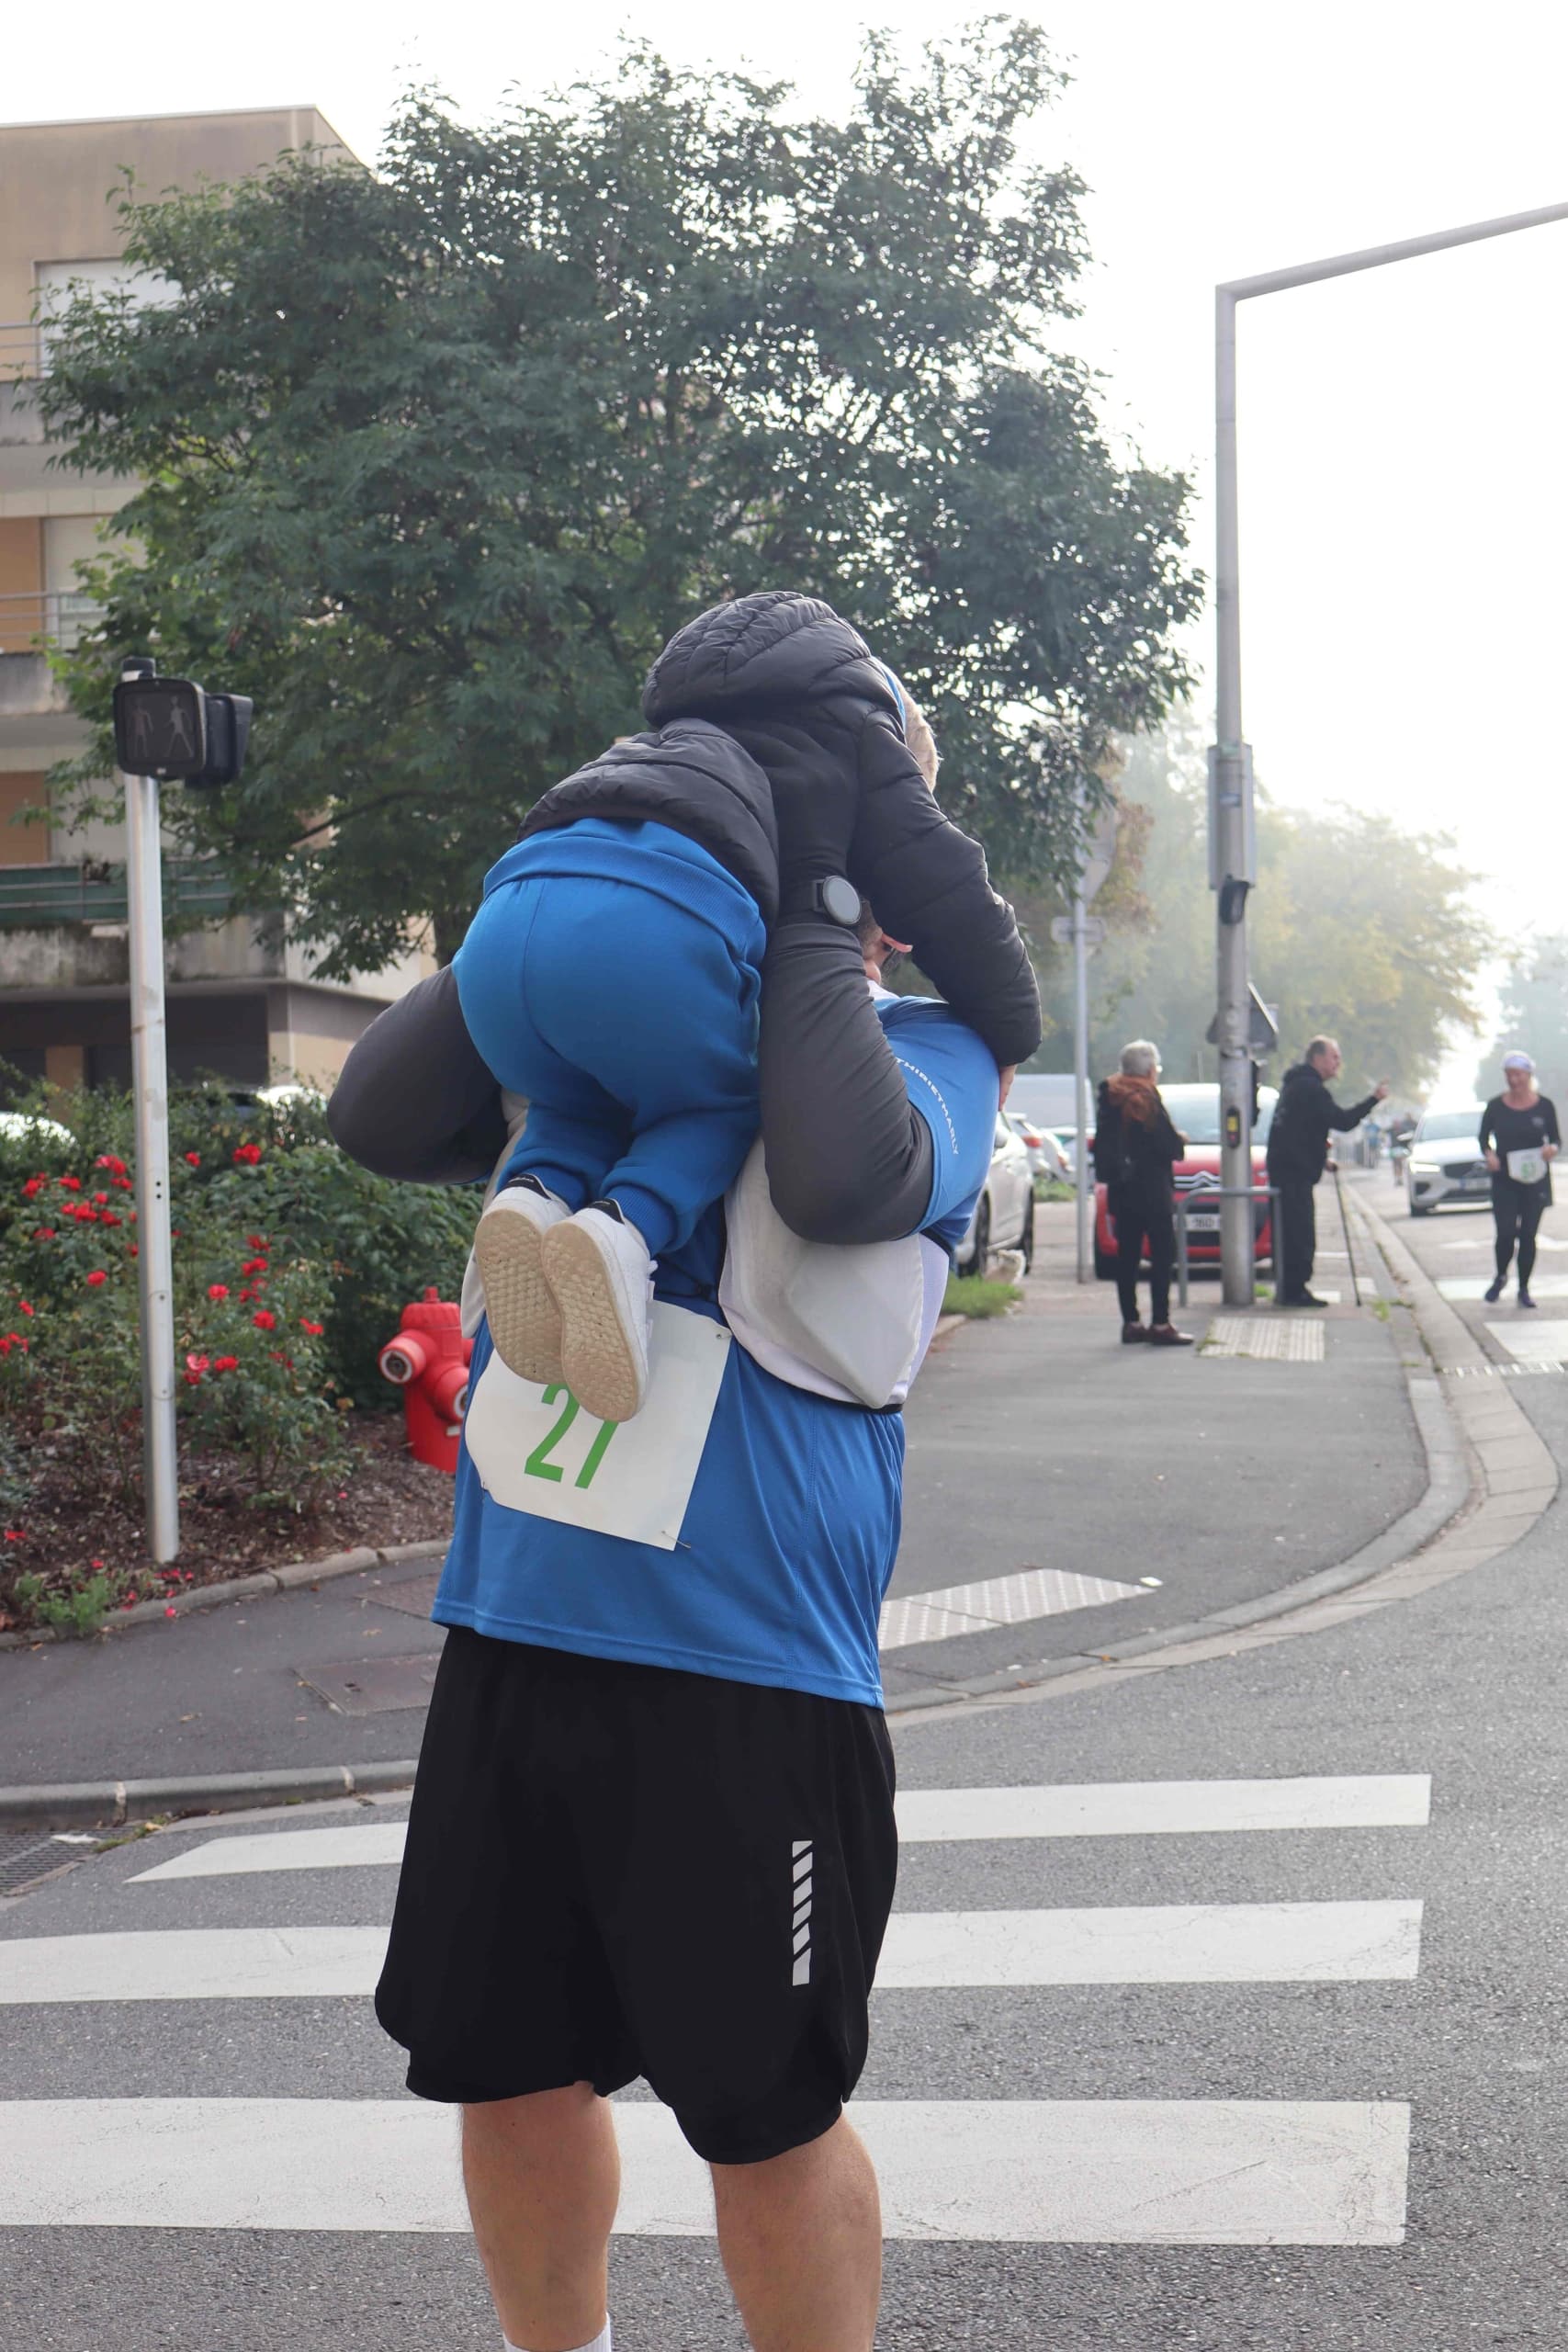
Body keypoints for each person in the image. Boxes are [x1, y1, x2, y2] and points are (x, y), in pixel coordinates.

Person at [327, 646, 1036, 2352]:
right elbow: (380, 1110)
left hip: (747, 1669)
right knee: (504, 2075)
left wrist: (813, 895)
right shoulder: (615, 1016)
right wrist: (604, 836)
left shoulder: (937, 1052)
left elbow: (837, 1169)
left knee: (762, 2114)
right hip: (518, 1631)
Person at [459, 589, 1038, 1424]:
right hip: (768, 1501)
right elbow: (844, 1178)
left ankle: (534, 1197)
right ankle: (626, 1227)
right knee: (720, 1093)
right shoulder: (931, 1040)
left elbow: (375, 1118)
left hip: (516, 933)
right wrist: (1006, 1024)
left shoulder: (651, 759)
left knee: (571, 1095)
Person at [1266, 1036, 1389, 1306]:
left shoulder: (1294, 1085)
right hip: (1294, 1173)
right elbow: (1342, 1121)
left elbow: (1299, 1130)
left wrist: (1321, 1157)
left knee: (1290, 1231)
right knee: (1299, 1233)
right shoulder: (1311, 1089)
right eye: (1334, 1057)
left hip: (1286, 1168)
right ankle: (1294, 1291)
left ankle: (1290, 1288)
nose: (1338, 1063)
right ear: (1318, 1058)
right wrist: (1373, 1099)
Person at [1093, 1039, 1192, 1346]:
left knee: (1128, 1258)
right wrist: (1179, 1140)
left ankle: (1131, 1323)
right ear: (1150, 1070)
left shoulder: (1110, 1096)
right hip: (1152, 1190)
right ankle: (1160, 1323)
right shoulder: (1146, 1098)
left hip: (1122, 1189)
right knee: (1163, 1255)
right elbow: (1169, 1146)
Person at [1480, 1052, 1561, 1307]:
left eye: (1518, 1075)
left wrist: (1552, 1149)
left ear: (1528, 1075)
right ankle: (1500, 1276)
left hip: (1535, 1178)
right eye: (1509, 1075)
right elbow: (1483, 1138)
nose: (1513, 1080)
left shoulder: (1544, 1106)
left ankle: (1524, 1288)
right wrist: (1490, 1154)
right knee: (1505, 1232)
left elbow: (1556, 1139)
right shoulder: (1496, 1106)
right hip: (1505, 1178)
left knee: (1527, 1235)